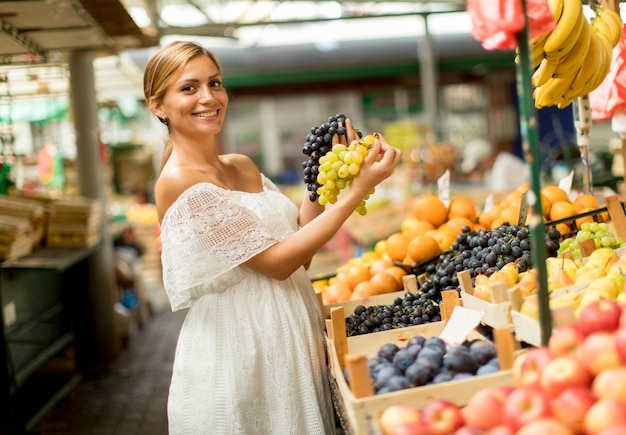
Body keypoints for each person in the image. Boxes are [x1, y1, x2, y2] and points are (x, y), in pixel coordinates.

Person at [143, 40, 402, 434]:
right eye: (189, 88)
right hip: (239, 352)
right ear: (158, 106)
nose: (208, 97)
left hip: (291, 337)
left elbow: (300, 251)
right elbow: (278, 263)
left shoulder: (242, 166)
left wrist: (324, 183)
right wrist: (355, 193)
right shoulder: (178, 182)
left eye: (215, 83)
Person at [460, 138, 527, 193]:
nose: (477, 170)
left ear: (485, 159)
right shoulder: (491, 169)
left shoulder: (504, 165)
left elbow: (499, 194)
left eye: (477, 166)